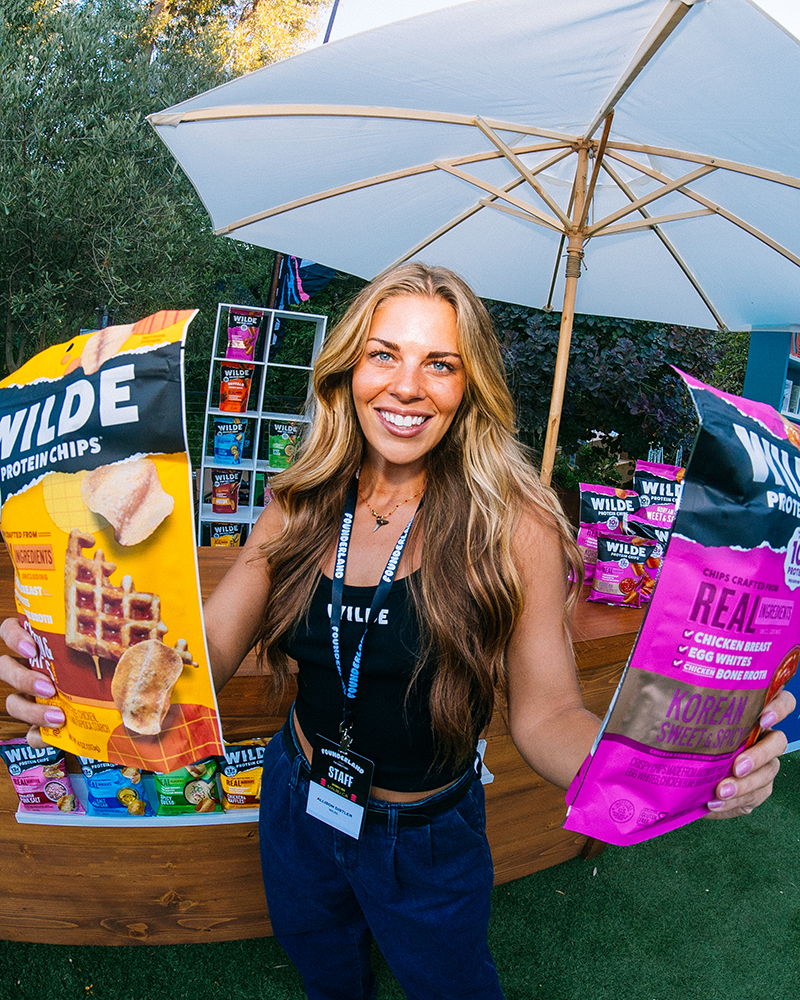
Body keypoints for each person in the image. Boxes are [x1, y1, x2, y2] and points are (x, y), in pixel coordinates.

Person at [0, 264, 793, 1000]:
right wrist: (78, 667)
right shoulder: (300, 501)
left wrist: (674, 771)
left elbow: (547, 715)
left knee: (451, 986)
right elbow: (201, 660)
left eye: (439, 364)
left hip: (424, 840)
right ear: (348, 368)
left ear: (468, 385)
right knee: (323, 965)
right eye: (384, 354)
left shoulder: (513, 526)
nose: (407, 387)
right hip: (297, 799)